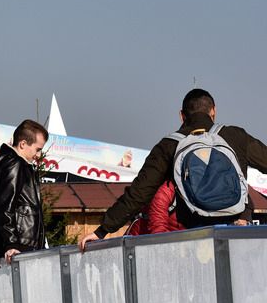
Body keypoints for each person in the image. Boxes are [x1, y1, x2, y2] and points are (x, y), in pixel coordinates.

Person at [80, 89, 267, 250]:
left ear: (182, 116)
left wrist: (102, 230)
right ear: (214, 111)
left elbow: (138, 193)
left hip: (193, 236)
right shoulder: (235, 136)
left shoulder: (169, 145)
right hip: (235, 233)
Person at [0, 119, 48, 265]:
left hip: (20, 243)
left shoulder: (7, 162)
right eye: (37, 149)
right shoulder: (15, 165)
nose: (39, 155)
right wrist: (11, 244)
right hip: (21, 245)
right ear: (23, 144)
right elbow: (5, 206)